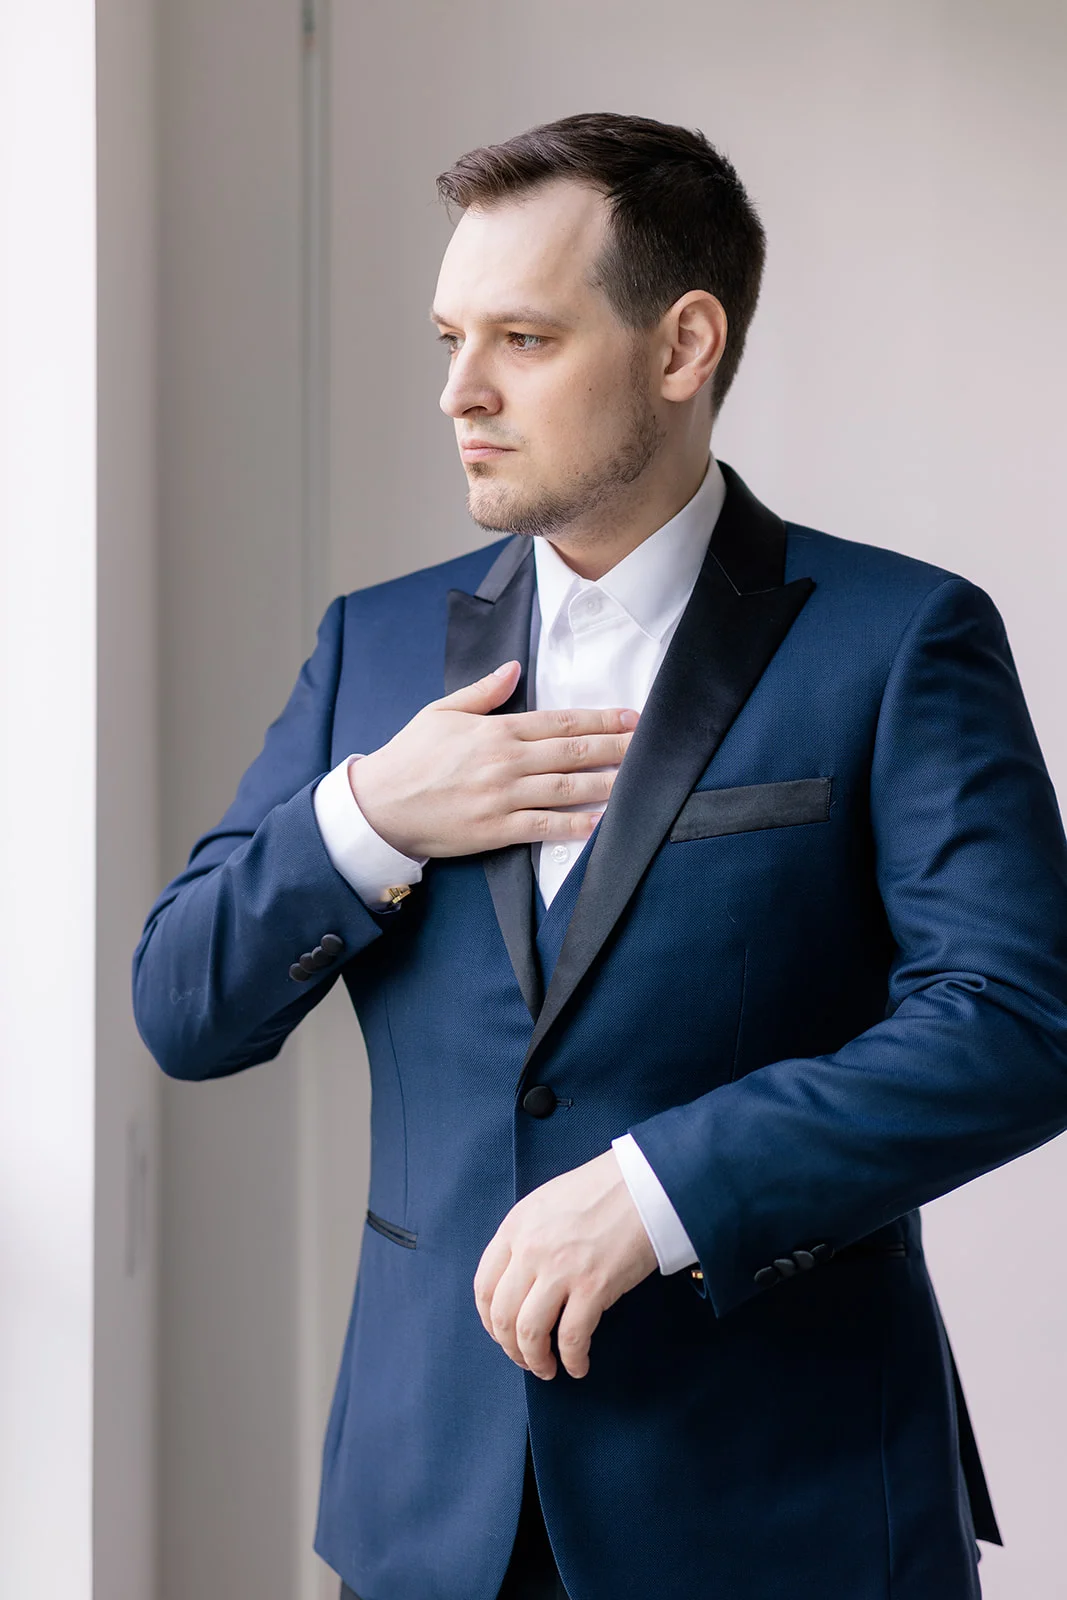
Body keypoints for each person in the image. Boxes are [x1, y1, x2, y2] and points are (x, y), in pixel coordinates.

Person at [132, 111, 1067, 1600]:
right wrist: (368, 816)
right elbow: (183, 1008)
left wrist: (657, 1187)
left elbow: (1019, 1027)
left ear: (681, 344)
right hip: (433, 1512)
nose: (458, 393)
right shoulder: (371, 649)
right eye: (448, 337)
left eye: (521, 338)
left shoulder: (897, 638)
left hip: (788, 1508)